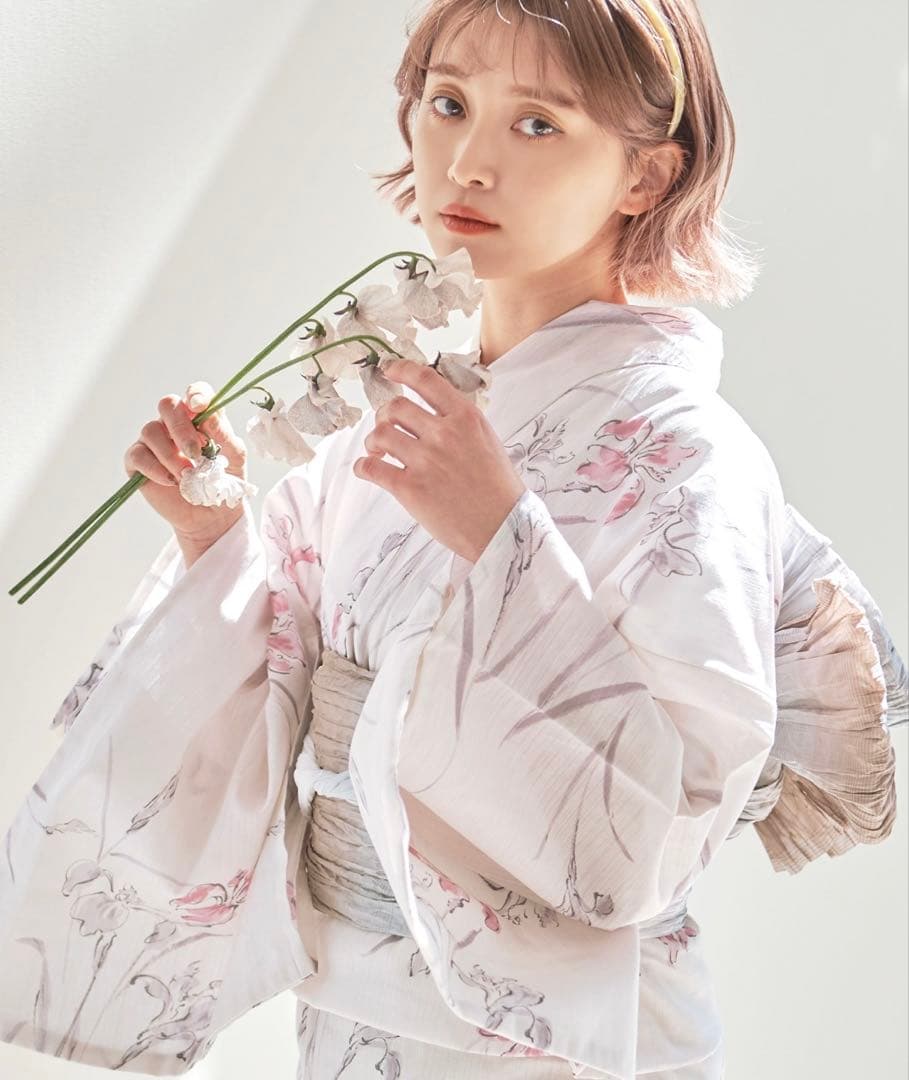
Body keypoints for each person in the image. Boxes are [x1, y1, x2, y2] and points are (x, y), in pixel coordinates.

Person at [0, 1, 904, 1078]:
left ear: (646, 176)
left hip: (561, 1046)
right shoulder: (407, 418)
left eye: (538, 124)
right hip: (354, 1016)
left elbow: (657, 826)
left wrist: (497, 536)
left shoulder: (687, 456)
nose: (468, 162)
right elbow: (294, 673)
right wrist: (214, 534)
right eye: (447, 105)